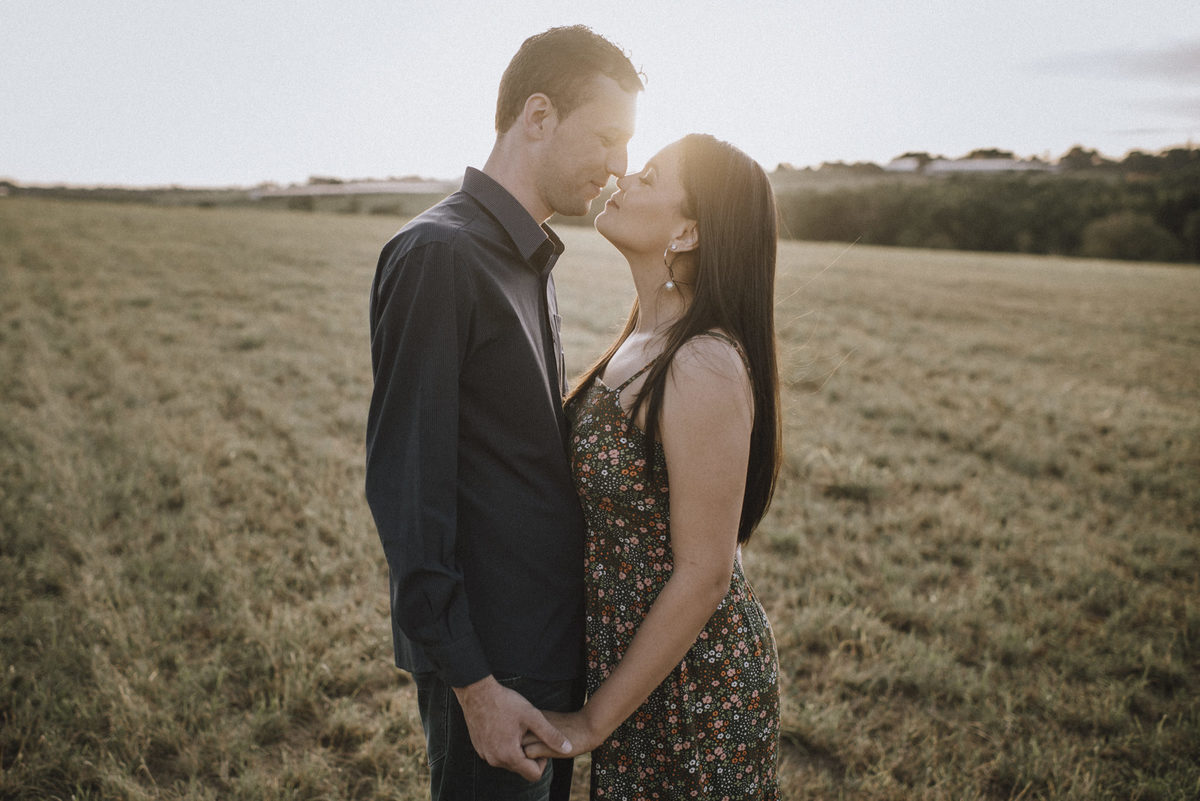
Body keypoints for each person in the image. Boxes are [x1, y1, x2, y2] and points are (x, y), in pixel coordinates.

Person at [364, 26, 642, 801]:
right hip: (492, 663)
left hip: (543, 648)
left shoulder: (527, 255)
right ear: (539, 115)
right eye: (608, 137)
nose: (621, 165)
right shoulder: (441, 255)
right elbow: (407, 492)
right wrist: (475, 685)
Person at [523, 134, 783, 799]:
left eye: (650, 176)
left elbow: (705, 572)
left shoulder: (701, 362)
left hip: (698, 689)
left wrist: (592, 721)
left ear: (688, 231)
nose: (624, 177)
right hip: (638, 667)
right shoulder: (644, 337)